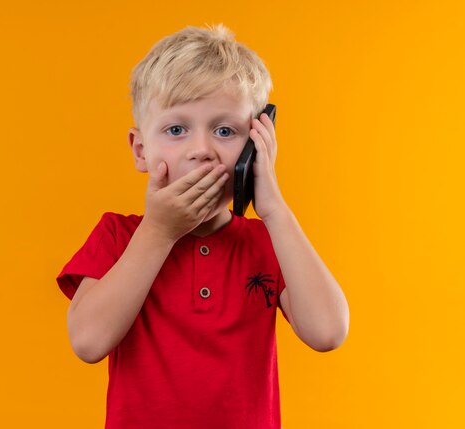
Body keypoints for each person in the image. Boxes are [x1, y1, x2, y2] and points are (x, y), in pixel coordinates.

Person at [56, 23, 349, 429]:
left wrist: (275, 209)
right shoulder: (118, 236)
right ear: (141, 150)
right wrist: (159, 231)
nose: (201, 150)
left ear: (257, 145)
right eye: (176, 130)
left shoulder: (268, 241)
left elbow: (328, 331)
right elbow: (87, 342)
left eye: (225, 131)